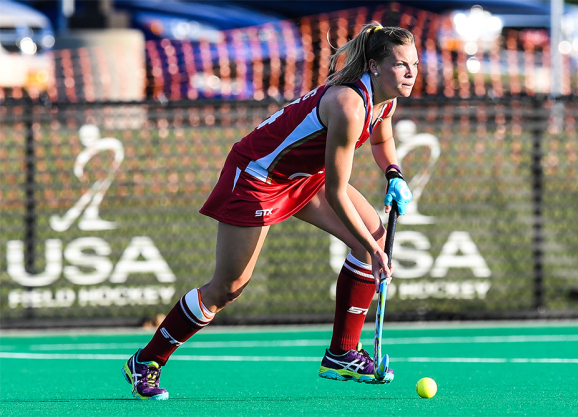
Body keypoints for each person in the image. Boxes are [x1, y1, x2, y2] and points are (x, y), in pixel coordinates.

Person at [121, 22, 418, 400]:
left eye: (414, 64)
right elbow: (336, 192)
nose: (410, 73)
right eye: (400, 64)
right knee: (228, 287)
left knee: (372, 235)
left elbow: (382, 139)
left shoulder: (386, 99)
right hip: (258, 175)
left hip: (302, 176)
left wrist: (393, 173)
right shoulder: (349, 105)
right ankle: (146, 360)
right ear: (374, 66)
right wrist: (376, 252)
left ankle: (342, 353)